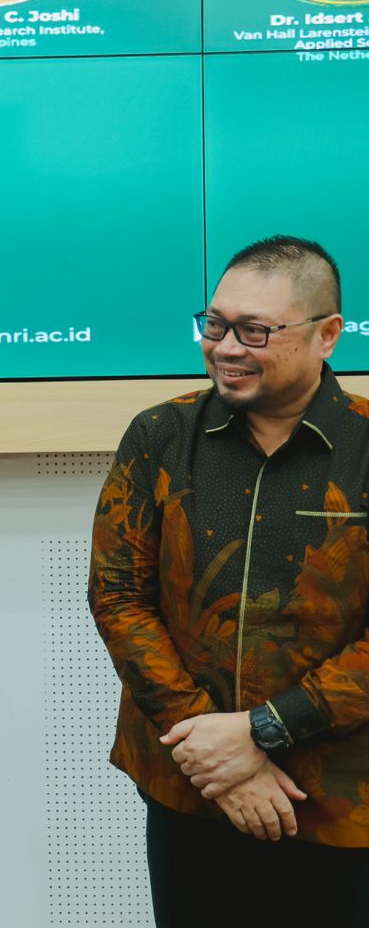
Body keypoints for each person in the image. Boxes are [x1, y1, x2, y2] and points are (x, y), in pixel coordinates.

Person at [88, 235, 369, 926]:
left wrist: (265, 732)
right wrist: (212, 751)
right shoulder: (161, 434)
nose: (226, 348)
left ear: (327, 334)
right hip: (192, 785)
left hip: (341, 799)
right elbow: (118, 596)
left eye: (255, 331)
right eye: (215, 325)